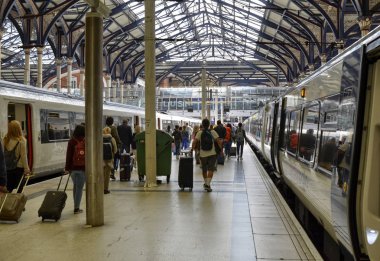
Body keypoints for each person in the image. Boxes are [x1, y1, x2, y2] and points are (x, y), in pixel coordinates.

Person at [192, 118, 222, 192]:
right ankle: (208, 184)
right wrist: (221, 150)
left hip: (203, 154)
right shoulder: (212, 131)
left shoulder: (199, 132)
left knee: (204, 170)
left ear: (202, 124)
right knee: (211, 169)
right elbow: (219, 141)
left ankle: (206, 183)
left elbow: (194, 142)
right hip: (212, 154)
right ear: (209, 125)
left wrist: (192, 149)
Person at [3, 120, 31, 193]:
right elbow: (24, 156)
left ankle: (7, 202)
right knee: (19, 188)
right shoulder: (22, 140)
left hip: (7, 167)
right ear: (19, 129)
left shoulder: (5, 139)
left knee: (9, 188)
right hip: (18, 168)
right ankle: (16, 203)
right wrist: (26, 169)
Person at [65, 124, 86, 214]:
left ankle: (76, 206)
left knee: (75, 187)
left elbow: (68, 156)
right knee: (79, 188)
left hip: (73, 169)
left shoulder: (71, 141)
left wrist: (67, 168)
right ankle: (76, 208)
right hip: (82, 168)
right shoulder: (85, 141)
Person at [103, 127, 117, 194]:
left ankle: (100, 188)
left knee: (101, 175)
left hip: (101, 159)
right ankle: (105, 189)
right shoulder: (112, 139)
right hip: (109, 159)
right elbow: (115, 150)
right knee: (107, 175)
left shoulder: (100, 138)